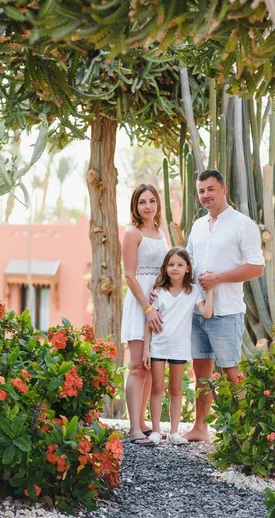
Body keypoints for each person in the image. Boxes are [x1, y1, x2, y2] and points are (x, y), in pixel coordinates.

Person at [183, 169, 265, 442]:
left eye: (210, 189)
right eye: (201, 191)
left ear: (223, 189)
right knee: (201, 373)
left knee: (232, 372)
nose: (205, 195)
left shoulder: (243, 224)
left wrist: (218, 278)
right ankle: (200, 428)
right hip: (198, 311)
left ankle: (246, 434)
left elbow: (256, 267)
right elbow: (189, 265)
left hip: (227, 312)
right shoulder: (197, 226)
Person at [142, 247, 214, 445]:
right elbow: (150, 322)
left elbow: (207, 313)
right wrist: (146, 349)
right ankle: (156, 430)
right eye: (171, 264)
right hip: (158, 346)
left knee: (176, 389)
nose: (175, 268)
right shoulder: (158, 291)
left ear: (188, 269)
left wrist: (211, 290)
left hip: (179, 348)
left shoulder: (193, 292)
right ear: (165, 268)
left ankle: (174, 432)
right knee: (157, 387)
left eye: (180, 265)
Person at [121, 183, 169, 445]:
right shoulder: (132, 233)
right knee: (138, 366)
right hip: (141, 303)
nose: (148, 206)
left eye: (152, 201)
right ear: (135, 206)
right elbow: (129, 274)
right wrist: (147, 308)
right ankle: (133, 427)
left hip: (159, 301)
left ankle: (142, 421)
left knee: (151, 366)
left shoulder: (161, 231)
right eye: (142, 202)